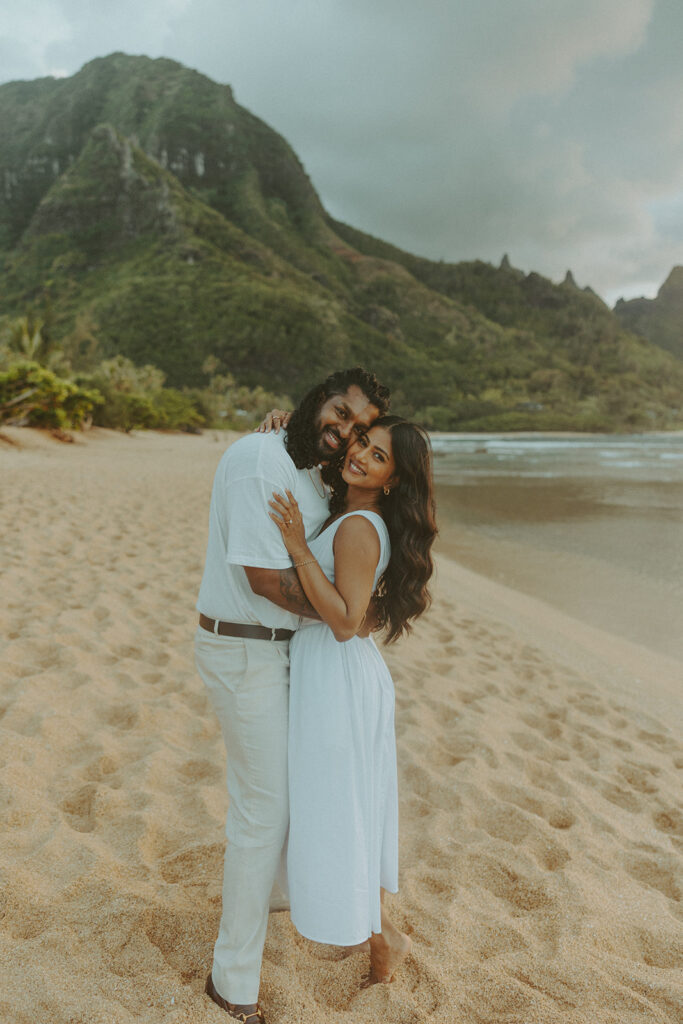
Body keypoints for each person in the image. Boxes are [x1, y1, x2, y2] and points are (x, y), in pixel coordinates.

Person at [194, 368, 390, 1023]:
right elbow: (261, 581)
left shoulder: (305, 462)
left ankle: (275, 899)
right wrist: (346, 616)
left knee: (293, 792)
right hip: (244, 647)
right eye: (337, 413)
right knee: (262, 811)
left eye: (359, 430)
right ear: (316, 396)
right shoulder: (257, 461)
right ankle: (232, 981)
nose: (342, 432)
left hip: (288, 653)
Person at [268, 416, 437, 986]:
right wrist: (281, 427)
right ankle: (380, 931)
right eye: (363, 442)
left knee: (340, 806)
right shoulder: (352, 512)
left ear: (394, 479)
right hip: (338, 674)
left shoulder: (359, 527)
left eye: (379, 456)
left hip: (336, 674)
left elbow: (343, 621)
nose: (361, 455)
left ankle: (383, 936)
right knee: (347, 804)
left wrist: (296, 547)